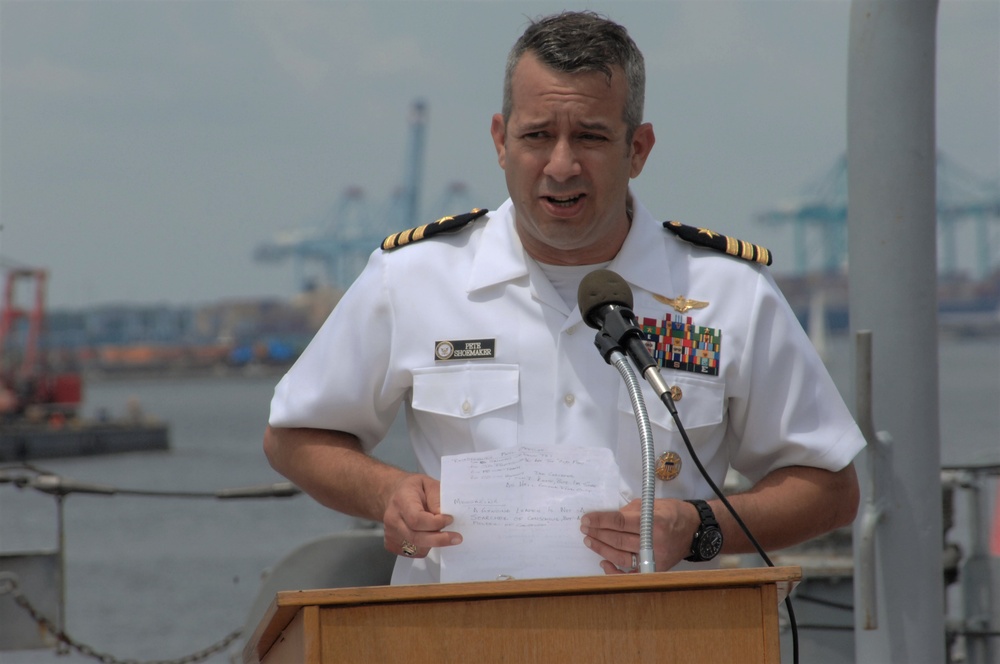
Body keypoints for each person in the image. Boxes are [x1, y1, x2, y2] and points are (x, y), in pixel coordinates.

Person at [264, 11, 863, 584]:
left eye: (591, 137)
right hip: (456, 636)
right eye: (537, 135)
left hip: (662, 636)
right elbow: (295, 436)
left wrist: (701, 525)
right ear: (500, 141)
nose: (561, 165)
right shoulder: (415, 278)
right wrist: (389, 494)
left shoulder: (728, 293)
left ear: (639, 149)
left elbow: (831, 488)